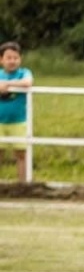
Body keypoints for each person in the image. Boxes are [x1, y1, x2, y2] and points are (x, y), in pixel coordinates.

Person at [0, 41, 32, 182]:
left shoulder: (24, 73)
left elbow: (28, 82)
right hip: (0, 122)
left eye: (15, 58)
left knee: (21, 154)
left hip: (18, 122)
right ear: (1, 59)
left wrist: (8, 84)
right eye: (9, 58)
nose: (12, 61)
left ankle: (22, 185)